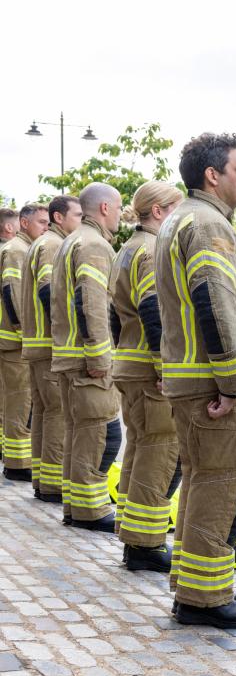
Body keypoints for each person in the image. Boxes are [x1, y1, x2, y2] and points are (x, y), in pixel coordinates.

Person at [155, 132, 236, 631]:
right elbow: (212, 302)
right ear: (212, 176)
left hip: (190, 378)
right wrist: (232, 382)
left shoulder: (180, 218)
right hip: (212, 384)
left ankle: (194, 589)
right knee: (224, 484)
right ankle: (204, 598)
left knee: (204, 483)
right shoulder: (209, 226)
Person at [110, 181, 183, 573]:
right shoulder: (153, 249)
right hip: (148, 369)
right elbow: (153, 308)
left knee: (140, 449)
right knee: (159, 453)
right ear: (158, 211)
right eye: (176, 208)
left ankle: (133, 534)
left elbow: (115, 312)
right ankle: (145, 545)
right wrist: (163, 367)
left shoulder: (127, 249)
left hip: (130, 362)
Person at [50, 183, 124, 532]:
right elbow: (92, 302)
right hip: (86, 360)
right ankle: (89, 512)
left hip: (69, 355)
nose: (123, 215)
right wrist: (99, 356)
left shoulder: (72, 240)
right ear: (106, 208)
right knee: (99, 434)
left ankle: (75, 506)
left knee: (80, 433)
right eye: (120, 208)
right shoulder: (94, 245)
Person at [22, 195, 80, 504]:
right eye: (77, 215)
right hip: (49, 344)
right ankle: (53, 484)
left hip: (37, 344)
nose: (81, 221)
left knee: (45, 412)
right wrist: (64, 330)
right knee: (57, 413)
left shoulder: (41, 243)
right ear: (61, 218)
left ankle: (44, 481)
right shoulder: (53, 245)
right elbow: (48, 291)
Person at [0, 203, 48, 481]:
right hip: (14, 342)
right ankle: (18, 464)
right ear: (22, 223)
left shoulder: (15, 249)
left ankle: (15, 458)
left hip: (10, 340)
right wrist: (22, 330)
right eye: (41, 222)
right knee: (20, 403)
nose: (45, 228)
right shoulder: (17, 250)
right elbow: (11, 292)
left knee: (13, 401)